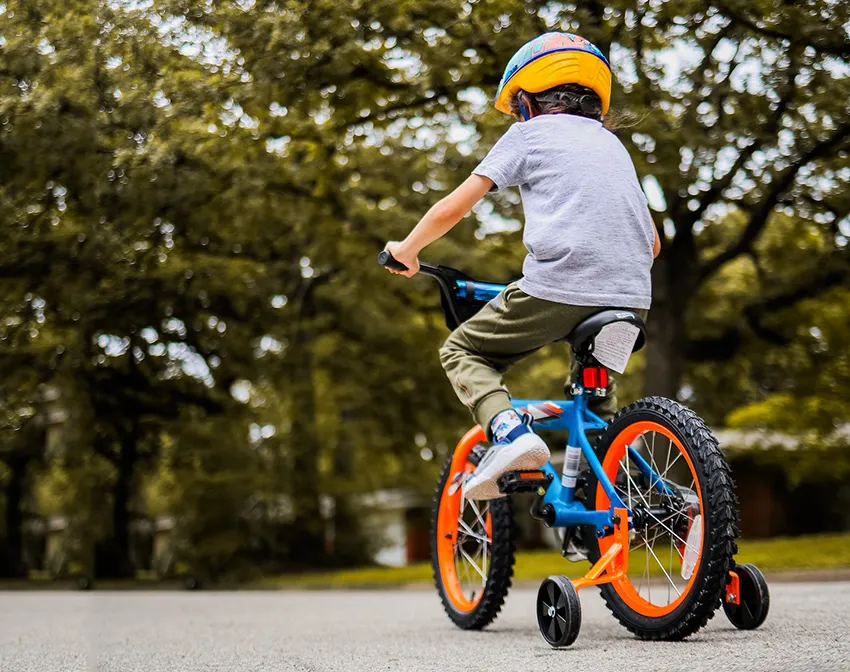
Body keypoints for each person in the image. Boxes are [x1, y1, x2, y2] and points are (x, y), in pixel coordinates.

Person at [382, 32, 661, 500]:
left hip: (558, 289)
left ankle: (513, 435)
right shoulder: (614, 147)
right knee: (596, 407)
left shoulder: (528, 135)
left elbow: (455, 206)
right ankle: (645, 504)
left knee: (462, 351)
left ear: (527, 100)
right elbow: (651, 244)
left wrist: (407, 248)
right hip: (631, 301)